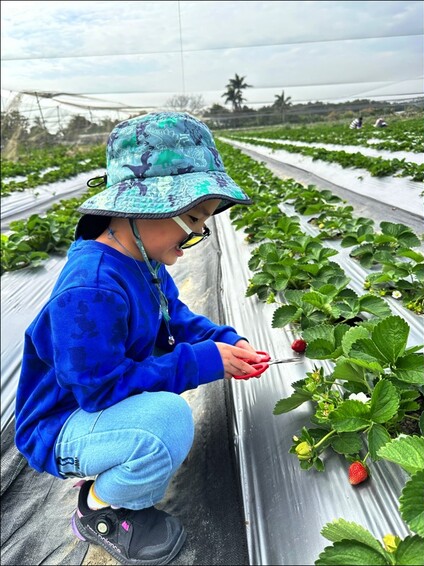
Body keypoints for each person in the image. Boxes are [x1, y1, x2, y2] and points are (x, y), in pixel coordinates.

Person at [14, 111, 263, 565]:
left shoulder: (144, 262)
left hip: (95, 409)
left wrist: (225, 340)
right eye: (192, 216)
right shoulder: (90, 288)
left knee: (163, 418)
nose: (200, 231)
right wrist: (202, 361)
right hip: (61, 424)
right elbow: (98, 390)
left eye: (205, 218)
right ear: (139, 209)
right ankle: (100, 508)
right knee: (165, 423)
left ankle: (110, 462)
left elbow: (177, 319)